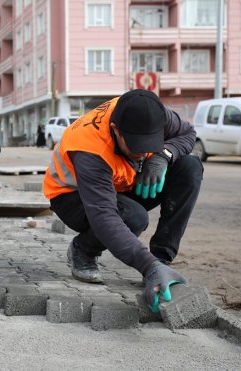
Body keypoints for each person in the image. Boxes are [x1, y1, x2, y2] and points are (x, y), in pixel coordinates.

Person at [43, 89, 203, 312]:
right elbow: (104, 217)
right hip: (73, 196)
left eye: (150, 143)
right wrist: (146, 266)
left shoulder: (152, 113)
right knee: (133, 217)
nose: (143, 151)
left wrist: (162, 156)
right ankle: (84, 249)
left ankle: (162, 260)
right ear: (116, 131)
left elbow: (187, 134)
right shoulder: (89, 148)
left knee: (190, 167)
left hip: (123, 183)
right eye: (136, 145)